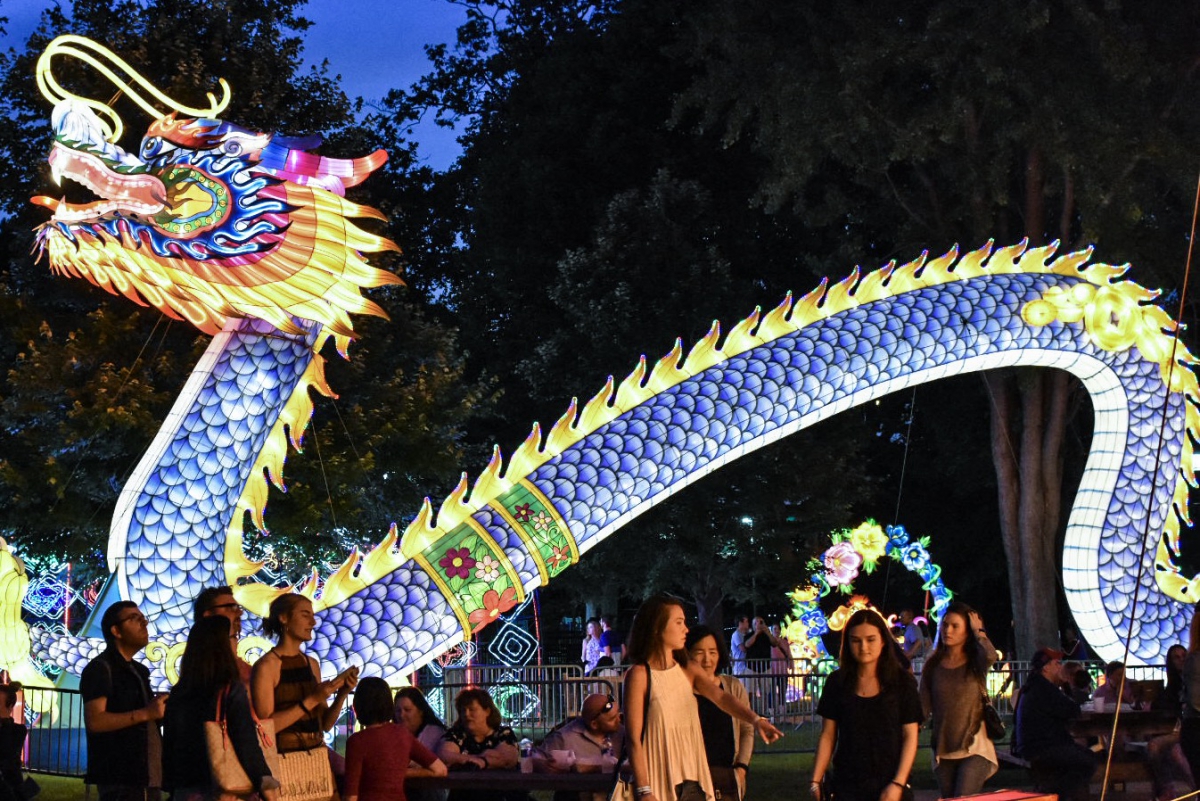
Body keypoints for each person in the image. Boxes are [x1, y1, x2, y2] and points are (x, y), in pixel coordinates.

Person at [624, 595, 781, 801]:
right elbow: (633, 740)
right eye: (678, 623)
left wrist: (755, 719)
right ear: (656, 627)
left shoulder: (688, 670)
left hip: (691, 774)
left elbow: (721, 697)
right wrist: (645, 790)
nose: (685, 630)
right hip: (658, 774)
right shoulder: (640, 675)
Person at [251, 593, 359, 796]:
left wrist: (342, 694)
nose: (313, 621)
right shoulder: (267, 666)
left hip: (316, 761)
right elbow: (266, 729)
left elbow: (324, 724)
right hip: (285, 764)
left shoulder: (311, 664)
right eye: (305, 615)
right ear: (284, 618)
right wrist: (312, 700)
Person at [163, 616, 279, 801]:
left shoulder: (179, 692)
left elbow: (169, 747)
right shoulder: (229, 689)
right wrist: (264, 782)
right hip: (225, 791)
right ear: (222, 645)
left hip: (185, 791)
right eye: (234, 637)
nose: (237, 643)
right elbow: (245, 741)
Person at [810, 608, 920, 801]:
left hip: (890, 783)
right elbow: (828, 734)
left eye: (870, 639)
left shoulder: (902, 682)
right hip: (847, 784)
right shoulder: (837, 682)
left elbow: (910, 735)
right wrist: (816, 780)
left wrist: (898, 783)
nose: (863, 647)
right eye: (856, 640)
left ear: (883, 640)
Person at [81, 601, 168, 801]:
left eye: (143, 617)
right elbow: (95, 721)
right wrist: (146, 713)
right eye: (134, 618)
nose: (143, 623)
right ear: (116, 631)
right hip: (121, 778)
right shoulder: (100, 669)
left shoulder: (139, 671)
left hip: (148, 775)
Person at [917, 601, 998, 797]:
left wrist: (979, 630)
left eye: (955, 626)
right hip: (943, 749)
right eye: (945, 625)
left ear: (966, 631)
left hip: (975, 747)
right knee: (949, 797)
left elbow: (991, 655)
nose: (948, 631)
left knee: (963, 797)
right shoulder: (933, 665)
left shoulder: (975, 661)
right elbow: (922, 707)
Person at [343, 677, 445, 801]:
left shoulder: (356, 742)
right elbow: (440, 769)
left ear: (358, 706)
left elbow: (351, 796)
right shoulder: (402, 734)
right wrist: (402, 772)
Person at [1014, 647, 1094, 801]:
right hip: (1042, 747)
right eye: (1057, 663)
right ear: (1046, 667)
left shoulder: (1035, 685)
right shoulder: (1044, 688)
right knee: (1087, 761)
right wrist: (1068, 686)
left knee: (1080, 757)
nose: (1060, 667)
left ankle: (1054, 791)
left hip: (1034, 745)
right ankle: (1058, 794)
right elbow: (1071, 710)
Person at [685, 624, 754, 801]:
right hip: (691, 779)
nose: (707, 659)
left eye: (713, 652)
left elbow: (746, 730)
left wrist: (741, 768)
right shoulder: (681, 690)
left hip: (727, 779)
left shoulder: (733, 687)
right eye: (699, 652)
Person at [535, 692, 624, 801]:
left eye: (618, 715)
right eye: (612, 719)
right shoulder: (565, 736)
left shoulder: (622, 733)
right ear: (594, 724)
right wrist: (541, 764)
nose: (619, 720)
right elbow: (536, 755)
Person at [438, 688, 520, 801]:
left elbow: (508, 758)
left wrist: (471, 761)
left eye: (472, 710)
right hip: (464, 794)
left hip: (501, 794)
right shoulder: (456, 734)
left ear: (487, 711)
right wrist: (480, 759)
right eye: (463, 710)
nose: (466, 714)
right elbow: (444, 755)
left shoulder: (503, 733)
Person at [1147, 643, 1193, 800]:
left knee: (1163, 747)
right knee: (1161, 749)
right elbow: (1167, 702)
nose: (1181, 660)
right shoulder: (1175, 684)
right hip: (1181, 728)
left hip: (1192, 727)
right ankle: (1167, 788)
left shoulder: (1193, 679)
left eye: (1183, 656)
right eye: (1176, 657)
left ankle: (1195, 787)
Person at [394, 686, 450, 801]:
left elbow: (415, 761)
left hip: (430, 790)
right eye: (398, 711)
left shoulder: (433, 732)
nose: (401, 715)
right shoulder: (394, 733)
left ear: (420, 711)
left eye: (407, 710)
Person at [193, 585, 251, 684]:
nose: (240, 612)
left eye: (237, 607)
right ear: (208, 615)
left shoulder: (250, 673)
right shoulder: (198, 671)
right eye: (230, 607)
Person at [0, 682, 26, 801]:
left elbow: (7, 752)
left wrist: (3, 721)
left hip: (9, 783)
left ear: (10, 705)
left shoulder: (17, 730)